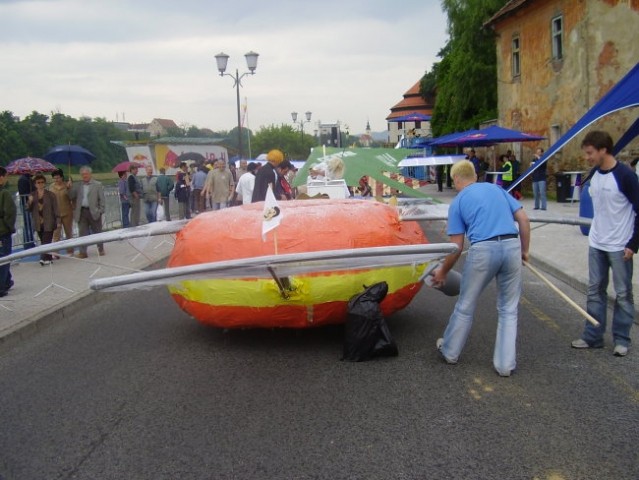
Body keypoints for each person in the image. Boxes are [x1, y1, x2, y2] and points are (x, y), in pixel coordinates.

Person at [432, 159, 530, 377]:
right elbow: (523, 219)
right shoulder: (497, 189)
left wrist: (443, 272)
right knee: (508, 309)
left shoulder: (458, 202)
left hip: (484, 250)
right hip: (512, 244)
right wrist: (524, 250)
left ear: (456, 180)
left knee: (466, 304)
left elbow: (456, 248)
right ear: (475, 176)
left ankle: (450, 351)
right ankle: (505, 365)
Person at [571, 130, 639, 357]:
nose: (587, 157)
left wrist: (633, 244)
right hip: (597, 243)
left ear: (603, 150)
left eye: (590, 153)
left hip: (620, 246)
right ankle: (593, 336)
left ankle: (621, 339)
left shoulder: (626, 176)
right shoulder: (594, 175)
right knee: (594, 291)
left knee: (622, 294)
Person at [68, 166, 106, 258]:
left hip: (94, 211)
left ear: (90, 174)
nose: (84, 176)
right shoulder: (78, 185)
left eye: (86, 174)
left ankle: (100, 249)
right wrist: (69, 187)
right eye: (82, 174)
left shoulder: (98, 184)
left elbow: (102, 199)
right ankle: (83, 252)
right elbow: (71, 196)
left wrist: (100, 210)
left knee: (97, 232)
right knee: (82, 233)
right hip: (82, 212)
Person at [27, 174, 60, 266]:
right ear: (35, 184)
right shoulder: (32, 195)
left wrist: (58, 221)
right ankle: (48, 259)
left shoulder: (51, 195)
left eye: (42, 182)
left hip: (49, 222)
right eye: (38, 182)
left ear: (44, 183)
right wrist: (30, 201)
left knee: (46, 241)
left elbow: (56, 209)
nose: (40, 184)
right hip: (38, 222)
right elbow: (28, 209)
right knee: (45, 242)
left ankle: (42, 258)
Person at [0, 166, 17, 297]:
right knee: (5, 258)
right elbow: (9, 213)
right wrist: (10, 227)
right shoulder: (4, 193)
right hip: (2, 231)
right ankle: (1, 286)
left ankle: (7, 280)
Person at [49, 169, 75, 255]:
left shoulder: (67, 185)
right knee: (56, 234)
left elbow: (72, 197)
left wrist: (69, 188)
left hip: (67, 212)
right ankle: (56, 252)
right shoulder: (51, 187)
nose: (56, 180)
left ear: (62, 177)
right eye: (54, 178)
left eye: (58, 178)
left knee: (69, 233)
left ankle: (70, 251)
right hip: (56, 214)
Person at [17, 172, 35, 249]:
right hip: (26, 204)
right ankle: (28, 243)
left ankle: (29, 242)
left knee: (30, 224)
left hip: (29, 204)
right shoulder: (23, 180)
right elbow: (24, 192)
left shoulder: (29, 179)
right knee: (28, 223)